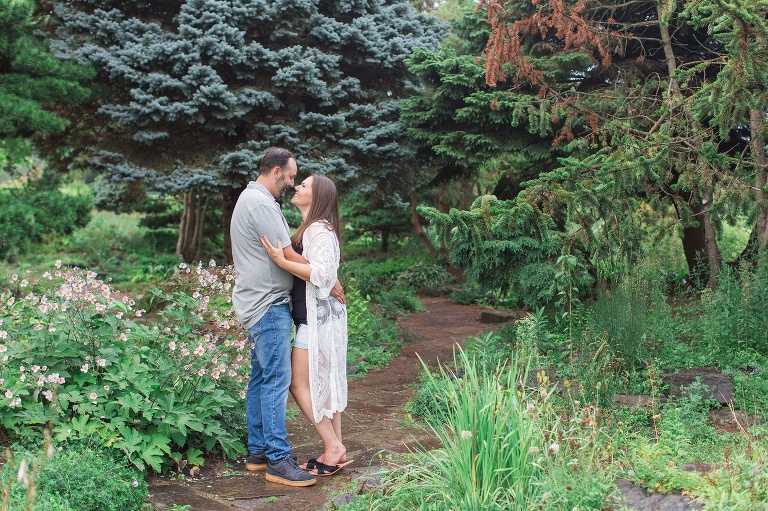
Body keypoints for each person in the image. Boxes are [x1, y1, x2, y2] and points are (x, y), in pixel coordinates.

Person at [230, 147, 317, 487]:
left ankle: (258, 452)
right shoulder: (262, 204)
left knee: (262, 378)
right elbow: (287, 255)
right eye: (291, 177)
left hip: (257, 303)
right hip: (268, 305)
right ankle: (278, 461)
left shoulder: (253, 200)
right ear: (277, 171)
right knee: (277, 381)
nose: (291, 183)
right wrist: (327, 275)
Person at [260, 174, 352, 477]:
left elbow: (323, 274)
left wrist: (281, 261)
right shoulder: (313, 228)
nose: (297, 186)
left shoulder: (319, 230)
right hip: (320, 319)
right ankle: (334, 448)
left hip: (316, 321)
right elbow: (325, 271)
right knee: (326, 386)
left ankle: (333, 446)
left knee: (299, 384)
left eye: (305, 185)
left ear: (318, 197)